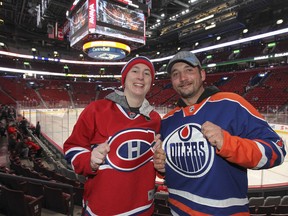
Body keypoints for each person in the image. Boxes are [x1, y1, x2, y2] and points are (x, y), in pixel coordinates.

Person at [153, 51, 286, 215]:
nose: (182, 78)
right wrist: (163, 168)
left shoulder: (231, 104)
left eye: (189, 70)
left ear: (202, 75)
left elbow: (277, 150)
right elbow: (172, 169)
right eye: (176, 74)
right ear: (172, 82)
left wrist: (227, 143)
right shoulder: (167, 120)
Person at [63, 56, 161, 215]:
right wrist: (89, 161)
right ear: (124, 79)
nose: (140, 77)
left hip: (143, 209)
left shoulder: (155, 119)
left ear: (151, 82)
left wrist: (161, 163)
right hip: (102, 210)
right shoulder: (96, 110)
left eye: (147, 73)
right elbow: (71, 148)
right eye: (135, 71)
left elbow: (157, 162)